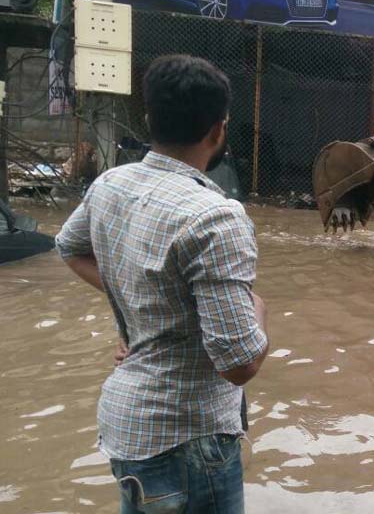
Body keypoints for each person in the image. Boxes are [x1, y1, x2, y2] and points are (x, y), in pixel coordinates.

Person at [55, 55, 268, 514]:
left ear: (149, 118)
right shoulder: (216, 216)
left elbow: (70, 248)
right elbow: (239, 363)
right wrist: (259, 309)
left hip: (126, 426)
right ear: (218, 131)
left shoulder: (110, 185)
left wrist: (136, 305)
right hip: (187, 439)